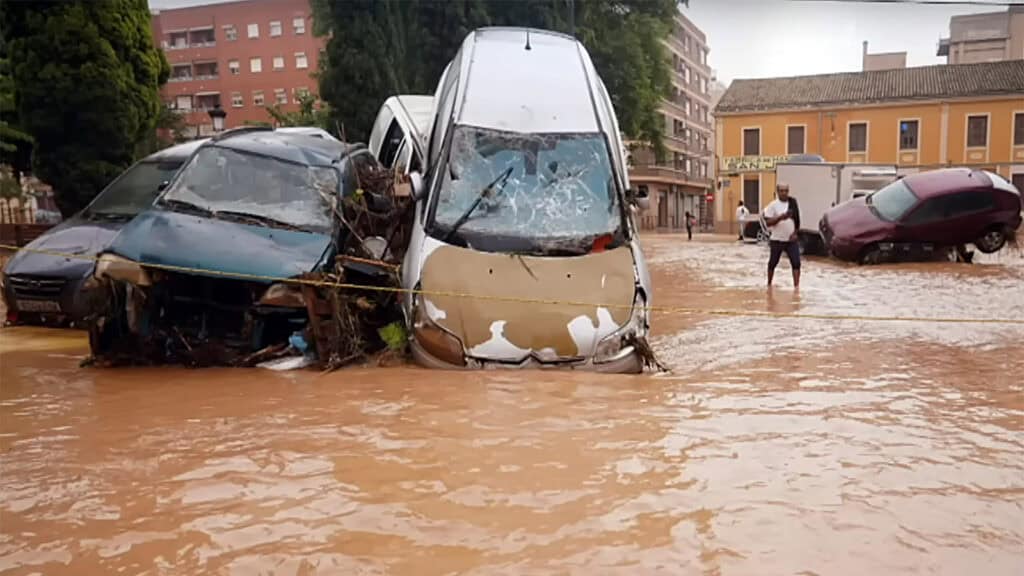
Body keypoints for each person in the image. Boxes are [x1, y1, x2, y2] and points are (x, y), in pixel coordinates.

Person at [762, 182, 801, 288]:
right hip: (777, 240)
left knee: (796, 263)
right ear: (777, 192)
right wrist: (781, 217)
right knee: (773, 263)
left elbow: (797, 220)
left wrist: (795, 233)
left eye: (786, 191)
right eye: (782, 191)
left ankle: (796, 287)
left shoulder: (793, 203)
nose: (784, 193)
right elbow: (768, 222)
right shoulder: (772, 205)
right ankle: (769, 284)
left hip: (791, 241)